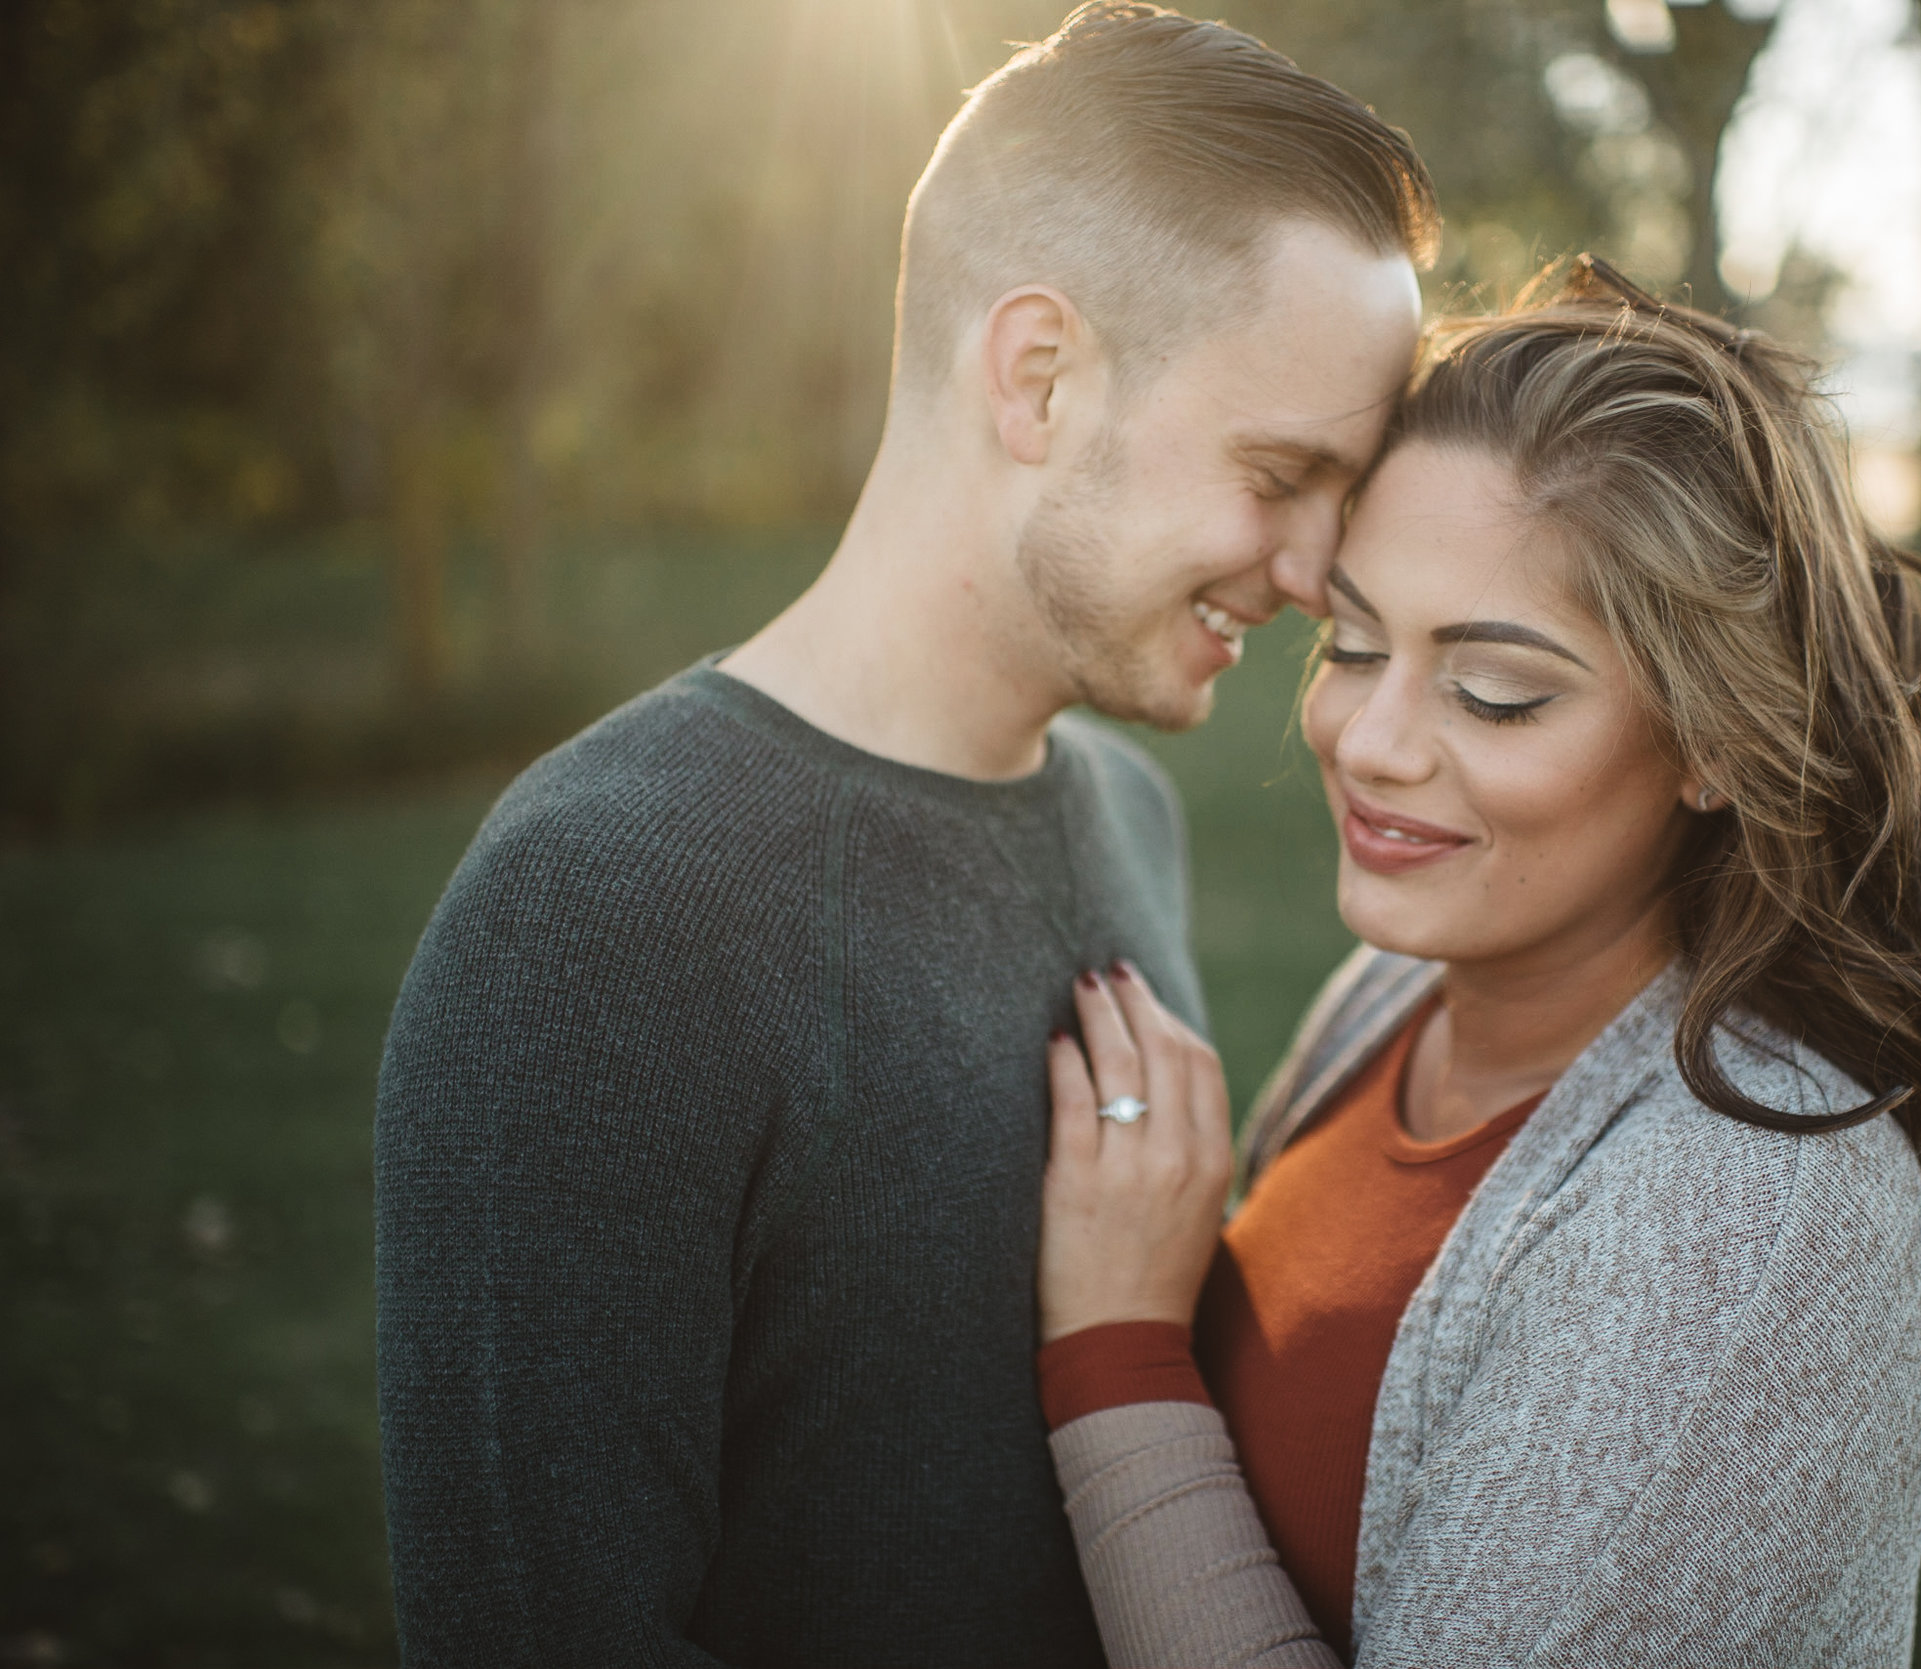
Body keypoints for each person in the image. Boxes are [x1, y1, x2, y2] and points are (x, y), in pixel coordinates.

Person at [371, 7, 1434, 1664]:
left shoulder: (1123, 818)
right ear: (1038, 373)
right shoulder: (599, 910)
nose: (1312, 574)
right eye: (1279, 473)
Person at [1031, 260, 1921, 1668]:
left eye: (1496, 690)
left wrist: (1121, 1353)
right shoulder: (1402, 995)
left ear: (1711, 745)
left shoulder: (1756, 1222)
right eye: (1354, 640)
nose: (1369, 739)